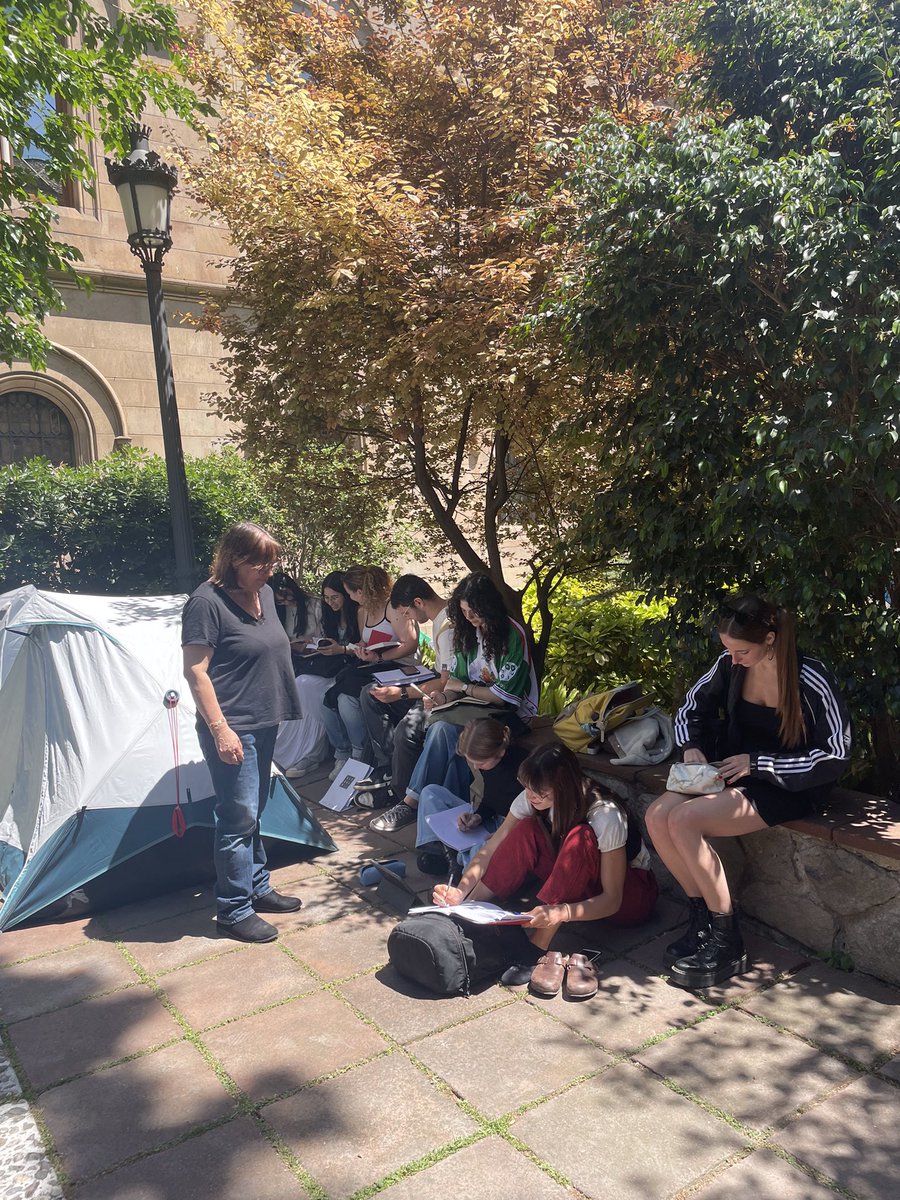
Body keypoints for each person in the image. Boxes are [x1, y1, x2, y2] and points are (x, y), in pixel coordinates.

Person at [645, 594, 852, 990]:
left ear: (771, 638)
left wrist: (759, 764)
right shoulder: (730, 664)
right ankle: (702, 922)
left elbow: (836, 753)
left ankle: (728, 942)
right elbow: (691, 707)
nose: (733, 658)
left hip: (789, 782)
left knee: (685, 820)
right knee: (657, 816)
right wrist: (691, 746)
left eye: (742, 650)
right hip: (734, 770)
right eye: (728, 649)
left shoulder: (811, 677)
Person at [432, 742, 658, 993]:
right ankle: (471, 909)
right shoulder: (533, 795)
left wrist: (561, 912)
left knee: (580, 837)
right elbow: (491, 849)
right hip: (582, 885)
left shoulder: (604, 814)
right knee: (524, 829)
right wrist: (460, 892)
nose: (531, 796)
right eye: (527, 788)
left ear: (564, 788)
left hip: (630, 897)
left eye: (540, 793)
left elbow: (613, 900)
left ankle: (538, 945)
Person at [182, 522, 303, 944]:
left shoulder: (264, 593)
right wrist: (221, 730)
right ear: (234, 559)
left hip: (264, 719)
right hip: (234, 726)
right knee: (236, 817)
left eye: (273, 563)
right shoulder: (205, 603)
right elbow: (196, 672)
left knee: (253, 809)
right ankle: (233, 911)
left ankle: (257, 886)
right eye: (261, 564)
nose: (269, 572)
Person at [371, 572, 539, 832]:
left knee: (440, 730)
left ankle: (412, 804)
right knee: (441, 728)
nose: (470, 618)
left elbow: (502, 696)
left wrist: (463, 689)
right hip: (471, 706)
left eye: (475, 612)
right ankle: (431, 813)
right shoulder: (468, 633)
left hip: (509, 712)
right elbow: (453, 684)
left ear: (490, 607)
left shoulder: (511, 635)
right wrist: (441, 697)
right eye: (464, 612)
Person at [354, 574, 454, 809]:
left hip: (447, 693)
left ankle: (401, 795)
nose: (407, 619)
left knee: (406, 731)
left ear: (418, 602)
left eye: (407, 613)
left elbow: (446, 682)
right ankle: (388, 769)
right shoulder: (441, 620)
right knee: (371, 693)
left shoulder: (448, 627)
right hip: (431, 680)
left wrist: (401, 693)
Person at [319, 564, 418, 777]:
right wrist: (362, 650)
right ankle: (346, 752)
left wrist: (380, 656)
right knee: (336, 694)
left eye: (349, 593)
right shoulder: (362, 612)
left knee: (346, 693)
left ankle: (363, 754)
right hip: (375, 665)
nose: (350, 598)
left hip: (400, 666)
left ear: (360, 592)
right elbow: (364, 642)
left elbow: (410, 644)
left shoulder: (393, 608)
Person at [414, 718, 531, 876]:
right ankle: (446, 853)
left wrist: (503, 834)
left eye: (480, 763)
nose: (476, 767)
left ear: (501, 752)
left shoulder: (524, 768)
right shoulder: (490, 760)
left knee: (480, 849)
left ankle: (462, 876)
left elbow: (532, 818)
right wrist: (478, 816)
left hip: (511, 829)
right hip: (492, 820)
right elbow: (493, 796)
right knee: (431, 793)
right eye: (472, 762)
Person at [274, 571, 359, 780]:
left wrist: (340, 649)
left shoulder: (356, 613)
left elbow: (357, 644)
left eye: (335, 597)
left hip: (348, 666)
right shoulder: (330, 612)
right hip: (324, 664)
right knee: (300, 685)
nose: (330, 603)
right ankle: (308, 747)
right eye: (327, 598)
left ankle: (328, 750)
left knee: (320, 693)